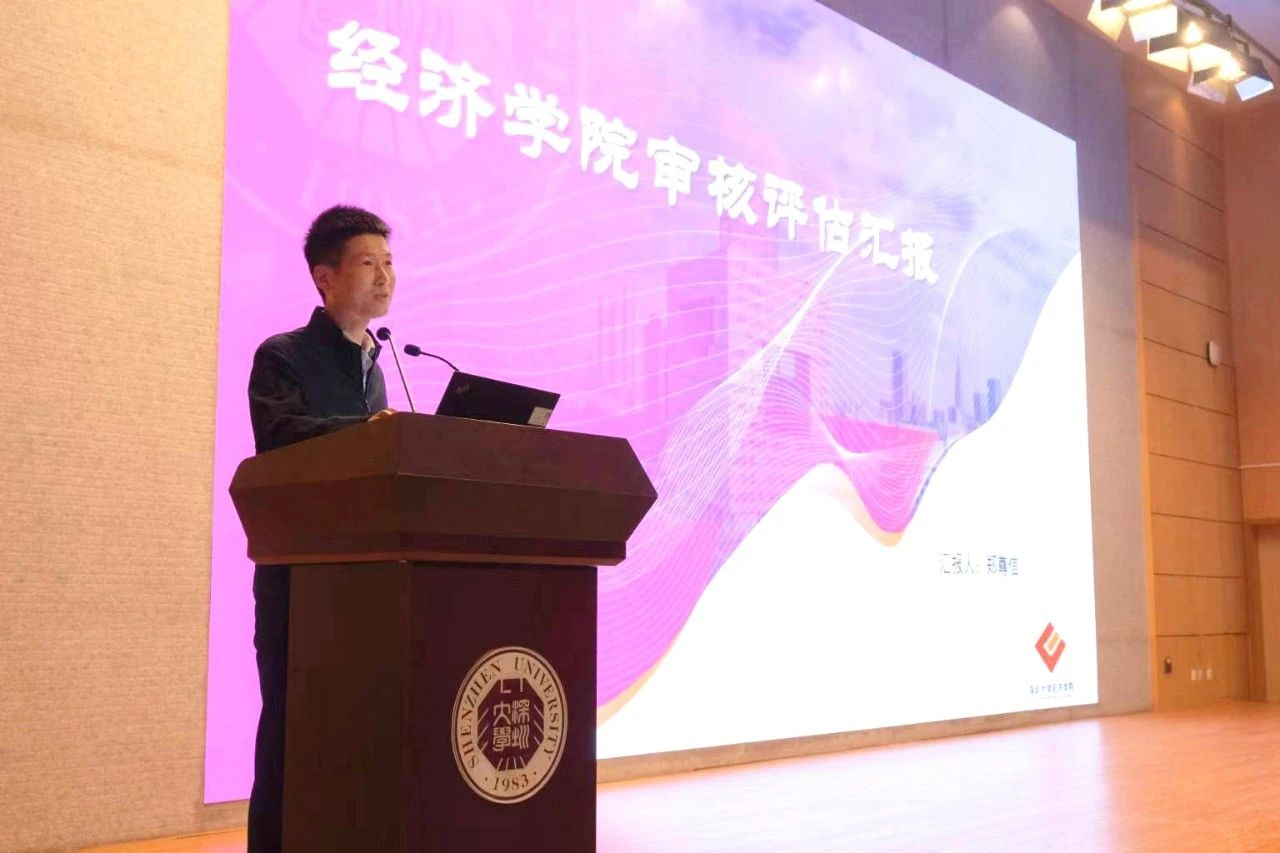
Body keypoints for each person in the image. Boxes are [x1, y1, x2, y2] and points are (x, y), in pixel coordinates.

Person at [245, 205, 397, 852]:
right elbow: (280, 438)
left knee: (352, 739)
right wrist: (368, 433)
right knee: (290, 732)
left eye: (389, 263)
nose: (385, 277)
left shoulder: (377, 366)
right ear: (324, 277)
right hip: (299, 581)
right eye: (368, 263)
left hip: (364, 586)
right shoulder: (283, 356)